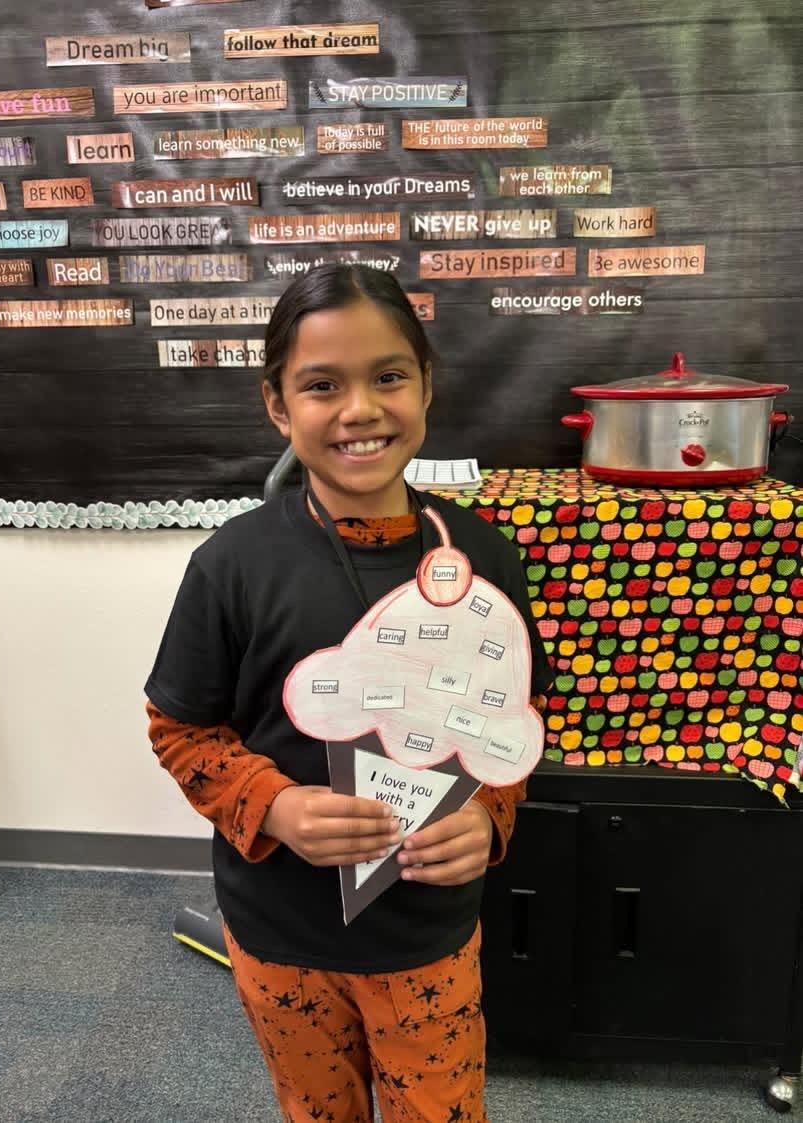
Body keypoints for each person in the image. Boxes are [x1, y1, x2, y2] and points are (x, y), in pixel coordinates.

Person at [145, 264, 552, 1122]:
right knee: (316, 1110)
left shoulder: (484, 555)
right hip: (281, 935)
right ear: (277, 404)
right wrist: (276, 804)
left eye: (388, 376)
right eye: (322, 385)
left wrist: (490, 815)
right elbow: (180, 729)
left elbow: (514, 723)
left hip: (425, 935)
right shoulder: (232, 564)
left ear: (426, 384)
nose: (360, 409)